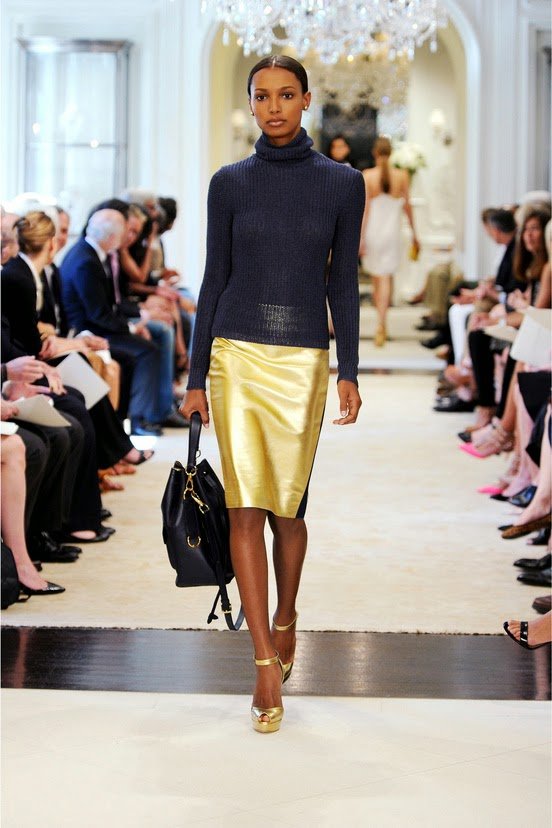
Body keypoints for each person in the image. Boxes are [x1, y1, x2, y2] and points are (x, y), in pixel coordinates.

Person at [181, 55, 364, 734]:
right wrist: (195, 377)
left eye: (286, 95)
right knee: (244, 508)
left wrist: (349, 369)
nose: (274, 107)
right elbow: (213, 277)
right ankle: (262, 658)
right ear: (252, 103)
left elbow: (342, 281)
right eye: (262, 96)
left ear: (306, 100)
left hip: (303, 361)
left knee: (289, 510)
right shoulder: (228, 182)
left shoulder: (342, 183)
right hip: (235, 354)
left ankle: (287, 614)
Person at [360, 136, 419, 346]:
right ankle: (382, 322)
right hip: (393, 233)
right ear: (391, 153)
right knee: (386, 277)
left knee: (378, 278)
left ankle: (381, 321)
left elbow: (365, 210)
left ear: (374, 153)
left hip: (374, 233)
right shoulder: (401, 175)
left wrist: (361, 238)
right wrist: (415, 234)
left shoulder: (368, 175)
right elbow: (408, 207)